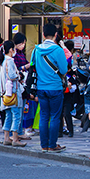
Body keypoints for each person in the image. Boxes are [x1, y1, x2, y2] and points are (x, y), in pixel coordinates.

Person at [31, 23, 68, 153]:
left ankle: (44, 145)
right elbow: (63, 69)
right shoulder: (58, 50)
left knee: (44, 116)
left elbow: (32, 66)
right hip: (55, 88)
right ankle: (52, 145)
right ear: (56, 35)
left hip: (41, 87)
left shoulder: (36, 50)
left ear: (43, 34)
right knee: (55, 116)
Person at [0, 40, 26, 147]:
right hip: (13, 92)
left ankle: (6, 138)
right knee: (16, 115)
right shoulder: (10, 61)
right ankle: (15, 138)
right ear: (11, 50)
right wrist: (19, 75)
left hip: (6, 93)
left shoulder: (3, 61)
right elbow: (12, 75)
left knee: (8, 115)